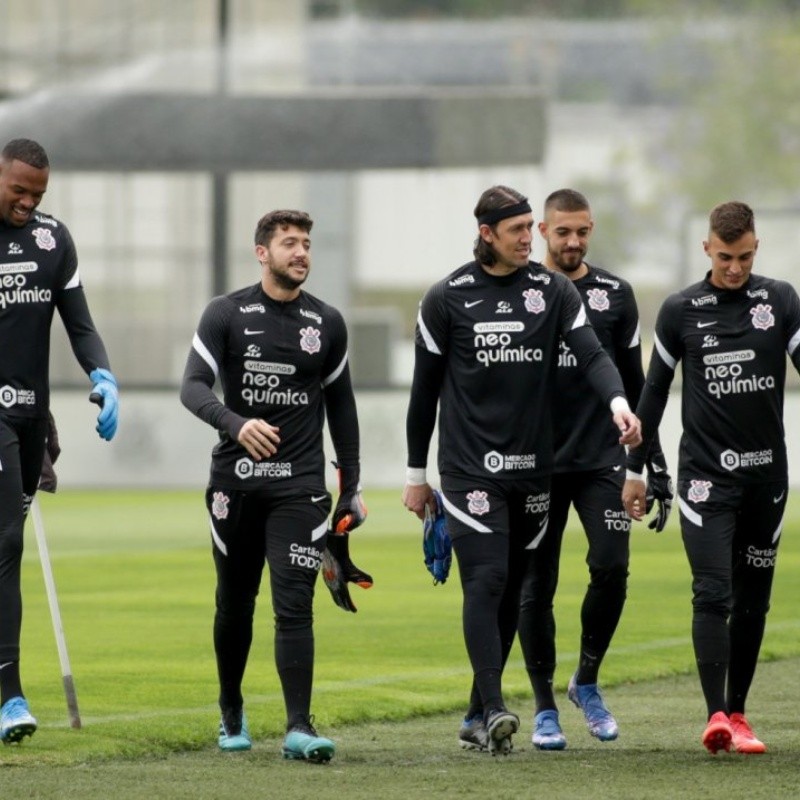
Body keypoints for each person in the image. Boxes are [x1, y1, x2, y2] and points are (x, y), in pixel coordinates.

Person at [402, 185, 642, 755]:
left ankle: (473, 714)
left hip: (535, 471)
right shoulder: (447, 296)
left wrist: (616, 402)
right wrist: (416, 475)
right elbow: (423, 393)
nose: (527, 239)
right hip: (469, 470)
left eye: (531, 227)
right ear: (487, 233)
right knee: (485, 581)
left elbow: (591, 352)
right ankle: (493, 708)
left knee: (511, 589)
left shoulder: (552, 291)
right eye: (517, 230)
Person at [180, 209, 366, 762]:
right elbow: (191, 387)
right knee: (234, 603)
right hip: (233, 486)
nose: (301, 252)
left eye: (307, 243)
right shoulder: (226, 313)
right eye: (290, 243)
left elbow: (343, 406)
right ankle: (231, 708)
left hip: (300, 488)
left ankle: (298, 727)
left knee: (295, 603)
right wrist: (235, 423)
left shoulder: (326, 322)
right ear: (262, 252)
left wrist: (350, 484)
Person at [623, 201, 800, 755]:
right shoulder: (681, 311)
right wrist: (634, 471)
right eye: (725, 257)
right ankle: (715, 715)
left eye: (745, 256)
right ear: (707, 249)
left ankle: (741, 713)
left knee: (754, 602)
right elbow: (652, 394)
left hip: (767, 479)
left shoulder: (781, 301)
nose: (736, 268)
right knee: (712, 593)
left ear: (755, 246)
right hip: (704, 481)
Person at [517, 189, 672, 750]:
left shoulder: (615, 295)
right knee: (537, 585)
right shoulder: (523, 292)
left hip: (602, 460)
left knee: (611, 565)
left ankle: (586, 679)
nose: (574, 241)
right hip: (534, 465)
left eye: (582, 231)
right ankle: (542, 707)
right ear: (541, 231)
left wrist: (650, 464)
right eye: (563, 232)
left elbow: (637, 386)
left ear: (591, 229)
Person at [0, 138, 119, 744]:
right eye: (18, 190)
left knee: (4, 551)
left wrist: (101, 373)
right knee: (6, 538)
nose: (28, 202)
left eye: (38, 194)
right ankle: (11, 696)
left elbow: (79, 321)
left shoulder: (53, 239)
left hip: (28, 419)